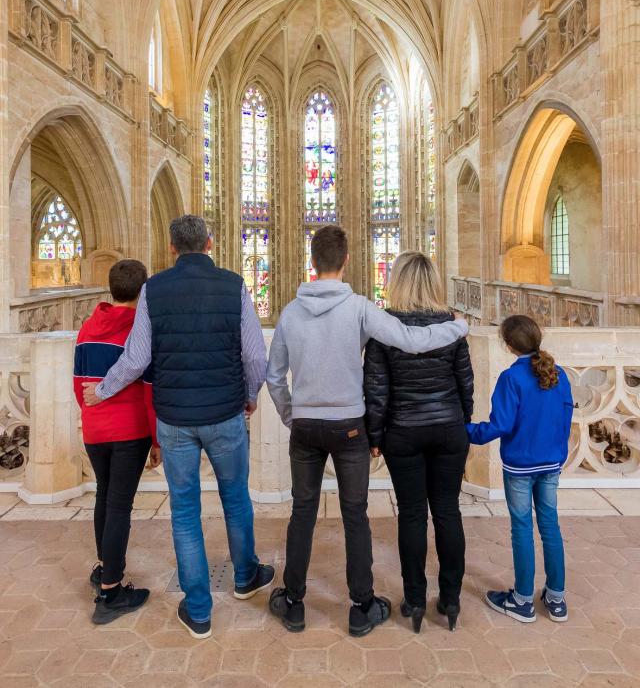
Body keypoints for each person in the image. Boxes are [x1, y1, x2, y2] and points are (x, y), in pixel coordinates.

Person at [266, 225, 469, 637]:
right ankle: (362, 606)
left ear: (312, 262)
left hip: (305, 427)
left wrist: (292, 415)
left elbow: (273, 376)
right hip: (350, 429)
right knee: (355, 514)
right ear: (345, 262)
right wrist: (458, 327)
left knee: (301, 511)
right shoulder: (359, 308)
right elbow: (411, 341)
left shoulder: (289, 312)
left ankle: (293, 602)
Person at [83, 215, 275, 639]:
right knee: (236, 498)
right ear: (210, 242)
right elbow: (255, 357)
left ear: (172, 248)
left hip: (173, 420)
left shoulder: (154, 289)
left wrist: (103, 388)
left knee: (185, 512)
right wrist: (250, 395)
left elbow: (135, 359)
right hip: (225, 414)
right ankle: (246, 577)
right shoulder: (234, 285)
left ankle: (200, 610)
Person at [363, 251, 473, 634]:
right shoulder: (452, 326)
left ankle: (413, 601)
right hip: (448, 429)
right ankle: (451, 599)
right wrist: (462, 423)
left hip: (403, 431)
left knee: (411, 513)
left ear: (398, 282)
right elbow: (465, 384)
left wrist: (374, 435)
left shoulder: (385, 328)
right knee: (447, 511)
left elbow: (376, 389)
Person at [467, 315, 573, 623]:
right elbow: (566, 419)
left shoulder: (511, 378)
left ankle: (523, 600)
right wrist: (559, 454)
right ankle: (556, 599)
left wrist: (466, 431)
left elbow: (500, 425)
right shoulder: (559, 374)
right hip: (551, 462)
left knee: (522, 528)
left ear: (509, 345)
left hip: (520, 466)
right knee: (551, 527)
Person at [73, 259, 160, 625]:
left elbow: (79, 385)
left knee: (104, 497)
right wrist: (156, 440)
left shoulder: (88, 327)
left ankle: (103, 566)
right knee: (120, 506)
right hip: (129, 430)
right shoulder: (139, 331)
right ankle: (111, 590)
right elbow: (151, 390)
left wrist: (92, 412)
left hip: (95, 431)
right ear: (143, 293)